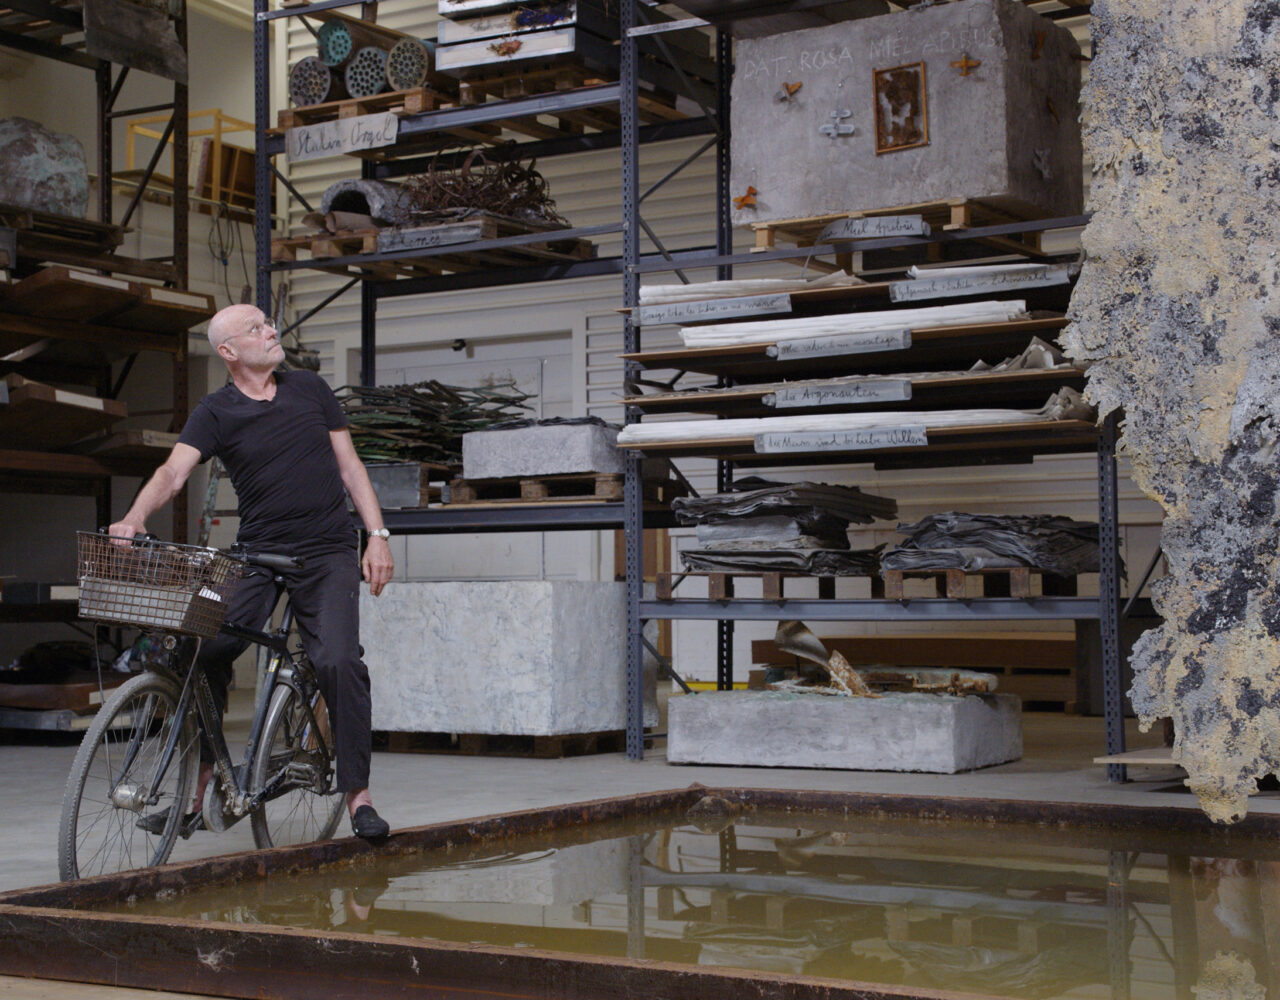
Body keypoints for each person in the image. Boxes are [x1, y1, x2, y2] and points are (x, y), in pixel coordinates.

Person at [109, 303, 394, 839]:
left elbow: (350, 466)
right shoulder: (215, 411)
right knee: (203, 647)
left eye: (268, 323)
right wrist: (133, 517)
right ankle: (204, 787)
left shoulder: (310, 389)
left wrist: (376, 536)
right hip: (257, 554)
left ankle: (359, 796)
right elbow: (173, 472)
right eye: (256, 328)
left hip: (327, 552)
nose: (271, 331)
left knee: (337, 661)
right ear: (229, 351)